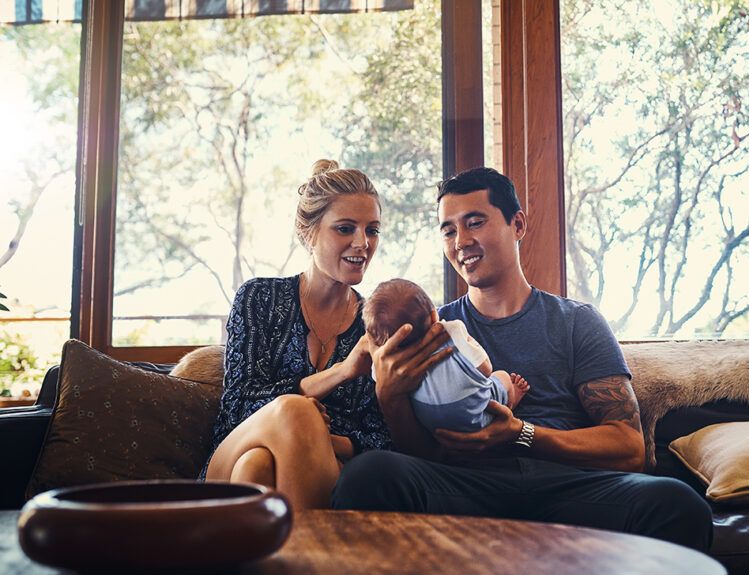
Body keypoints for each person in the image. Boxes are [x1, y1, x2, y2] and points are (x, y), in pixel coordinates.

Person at [331, 167, 713, 550]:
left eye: (474, 222)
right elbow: (426, 454)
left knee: (677, 504)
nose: (461, 240)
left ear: (517, 224)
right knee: (369, 475)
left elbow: (629, 449)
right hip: (466, 488)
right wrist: (391, 399)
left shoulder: (576, 321)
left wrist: (523, 435)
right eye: (448, 230)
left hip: (567, 486)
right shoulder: (432, 329)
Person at [204, 159, 392, 510]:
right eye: (345, 228)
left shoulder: (375, 325)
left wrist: (312, 440)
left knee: (257, 466)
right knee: (294, 413)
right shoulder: (259, 297)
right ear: (309, 233)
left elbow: (380, 437)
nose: (362, 243)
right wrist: (341, 372)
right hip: (229, 455)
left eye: (372, 230)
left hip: (318, 469)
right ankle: (315, 560)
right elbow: (238, 405)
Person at [362, 278, 530, 432]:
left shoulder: (389, 364)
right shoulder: (451, 330)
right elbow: (484, 369)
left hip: (433, 425)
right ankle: (511, 398)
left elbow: (378, 377)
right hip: (476, 415)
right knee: (500, 376)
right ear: (434, 315)